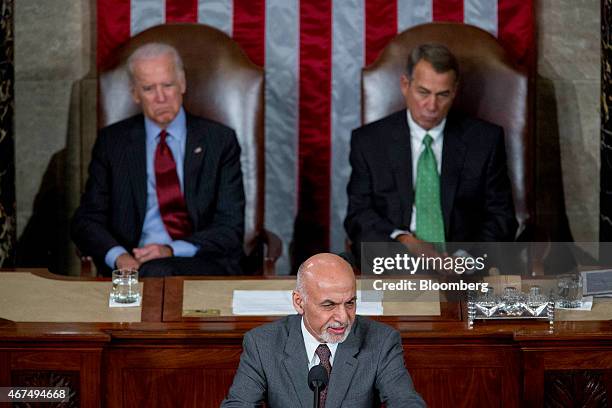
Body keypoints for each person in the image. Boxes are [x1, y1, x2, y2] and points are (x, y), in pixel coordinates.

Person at [71, 43, 245, 276]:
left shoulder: (219, 140)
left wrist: (170, 250)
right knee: (151, 273)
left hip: (202, 261)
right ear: (134, 93)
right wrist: (119, 257)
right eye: (149, 88)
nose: (161, 97)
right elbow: (87, 220)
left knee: (158, 271)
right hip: (133, 264)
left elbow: (230, 227)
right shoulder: (112, 143)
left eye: (168, 85)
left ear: (182, 84)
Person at [344, 43, 517, 263]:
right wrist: (404, 241)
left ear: (454, 92)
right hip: (395, 262)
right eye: (423, 92)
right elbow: (358, 215)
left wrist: (466, 258)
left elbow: (501, 218)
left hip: (465, 266)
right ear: (405, 85)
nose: (432, 105)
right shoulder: (369, 142)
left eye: (443, 94)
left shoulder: (485, 141)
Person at [221, 253, 425, 407]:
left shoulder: (381, 341)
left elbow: (405, 402)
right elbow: (240, 404)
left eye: (350, 303)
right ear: (299, 303)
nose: (343, 318)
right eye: (329, 305)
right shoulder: (262, 344)